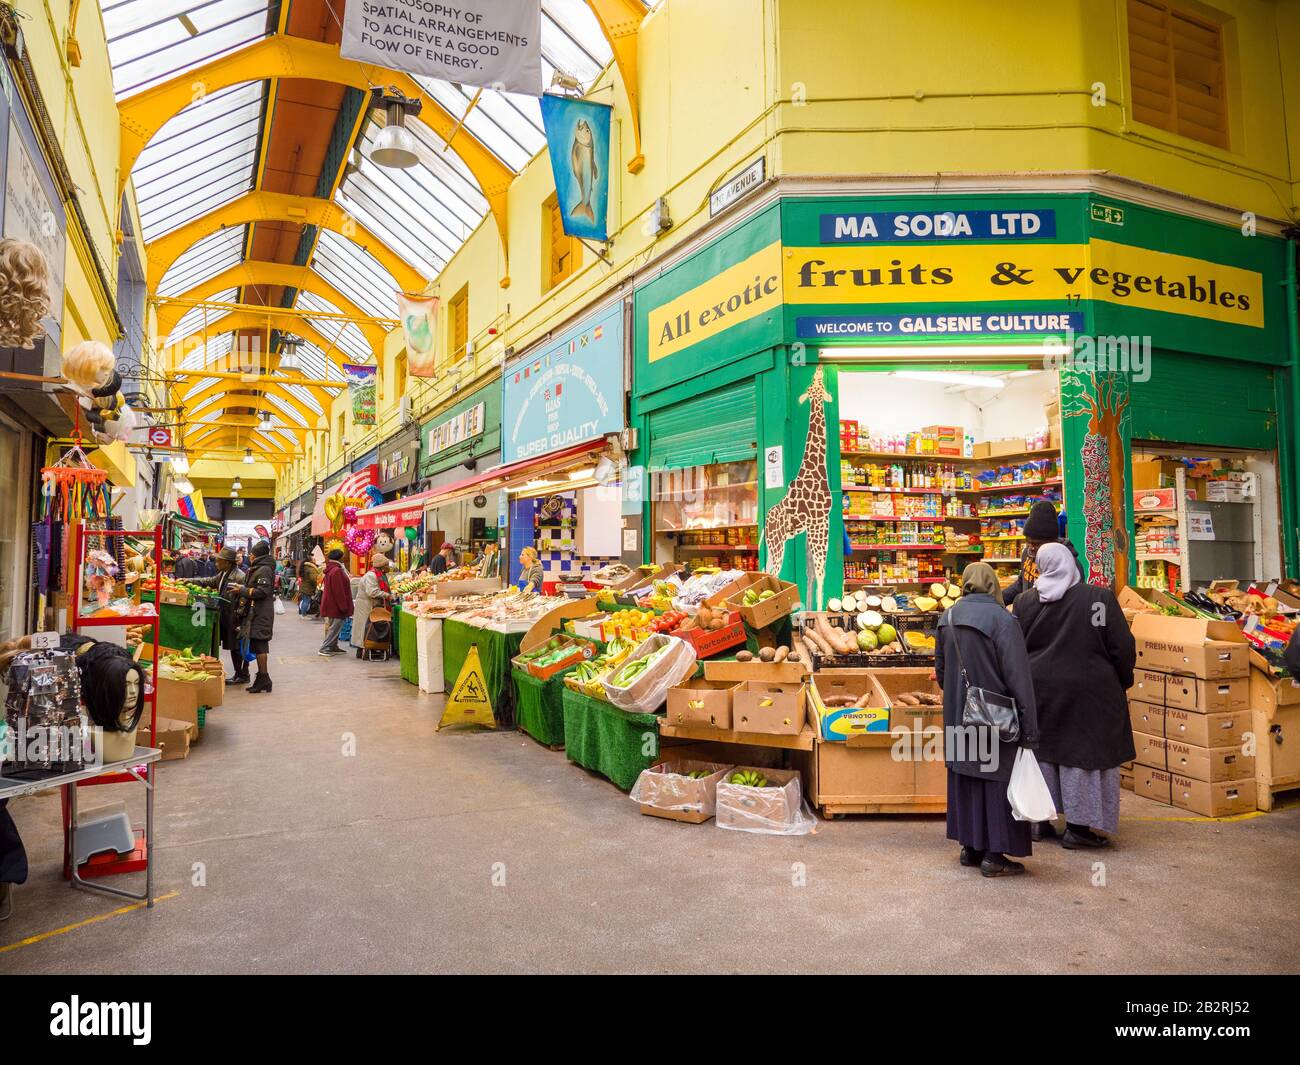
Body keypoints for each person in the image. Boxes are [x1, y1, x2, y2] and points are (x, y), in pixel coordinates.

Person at [1013, 543, 1136, 848]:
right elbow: (1121, 647)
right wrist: (1123, 679)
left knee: (1044, 753)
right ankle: (1080, 828)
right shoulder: (1097, 600)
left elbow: (1018, 646)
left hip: (1039, 691)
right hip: (1089, 693)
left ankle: (1038, 821)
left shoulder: (1025, 602)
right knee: (1083, 756)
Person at [935, 562, 1040, 877]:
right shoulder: (1003, 621)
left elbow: (941, 673)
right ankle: (994, 855)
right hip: (993, 716)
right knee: (995, 781)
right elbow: (1018, 677)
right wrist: (1029, 729)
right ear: (993, 584)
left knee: (964, 778)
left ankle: (970, 847)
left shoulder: (947, 618)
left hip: (958, 716)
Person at [1002, 500, 1084, 605]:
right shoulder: (1027, 554)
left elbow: (1074, 601)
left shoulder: (1071, 564)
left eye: (1036, 544)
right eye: (1028, 542)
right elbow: (1021, 583)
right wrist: (998, 599)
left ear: (1052, 541)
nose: (1030, 548)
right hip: (1028, 614)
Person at [189, 546, 249, 683]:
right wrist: (189, 580)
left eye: (218, 561)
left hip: (234, 617)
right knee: (233, 646)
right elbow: (209, 581)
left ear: (227, 562)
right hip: (226, 614)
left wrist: (239, 618)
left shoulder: (239, 576)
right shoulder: (223, 574)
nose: (216, 563)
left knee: (237, 647)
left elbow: (243, 600)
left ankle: (242, 675)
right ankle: (240, 674)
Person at [236, 540, 277, 693]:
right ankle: (262, 679)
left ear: (257, 555)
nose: (250, 557)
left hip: (261, 613)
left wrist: (242, 590)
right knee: (257, 644)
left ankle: (264, 678)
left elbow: (262, 592)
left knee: (260, 645)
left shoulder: (264, 569)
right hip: (255, 612)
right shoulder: (258, 568)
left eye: (252, 555)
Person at [352, 553, 393, 654]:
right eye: (386, 565)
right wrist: (387, 595)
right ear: (382, 566)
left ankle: (367, 648)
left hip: (369, 603)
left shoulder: (378, 574)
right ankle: (364, 648)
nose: (388, 567)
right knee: (365, 626)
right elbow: (372, 592)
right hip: (365, 605)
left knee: (367, 626)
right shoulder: (371, 575)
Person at [318, 549, 354, 656]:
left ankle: (333, 646)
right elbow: (339, 591)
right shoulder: (337, 570)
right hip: (336, 604)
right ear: (340, 558)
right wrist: (343, 606)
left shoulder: (332, 569)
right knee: (335, 627)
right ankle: (325, 648)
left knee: (334, 625)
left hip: (331, 603)